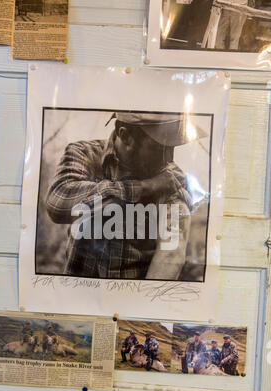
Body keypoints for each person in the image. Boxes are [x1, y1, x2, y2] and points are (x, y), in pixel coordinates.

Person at [46, 112, 205, 280]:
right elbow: (58, 203)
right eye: (159, 148)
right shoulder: (86, 155)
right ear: (126, 136)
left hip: (134, 297)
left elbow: (170, 254)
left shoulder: (171, 180)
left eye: (171, 148)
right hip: (78, 295)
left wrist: (143, 302)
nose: (169, 158)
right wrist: (145, 187)